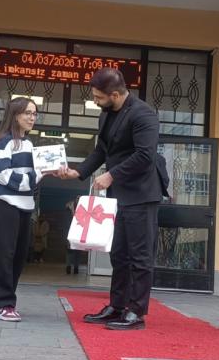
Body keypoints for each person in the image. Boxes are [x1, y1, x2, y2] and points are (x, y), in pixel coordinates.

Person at [58, 67, 166, 330]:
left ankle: (136, 312)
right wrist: (79, 172)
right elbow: (102, 150)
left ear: (115, 95)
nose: (95, 101)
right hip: (118, 196)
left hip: (141, 194)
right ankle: (117, 306)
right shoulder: (106, 114)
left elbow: (145, 155)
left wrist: (112, 175)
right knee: (119, 254)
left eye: (99, 97)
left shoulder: (143, 114)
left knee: (140, 256)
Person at [0, 97, 43, 322]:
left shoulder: (29, 144)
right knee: (3, 254)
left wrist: (46, 172)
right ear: (15, 115)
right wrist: (36, 177)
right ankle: (3, 304)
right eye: (27, 113)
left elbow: (34, 177)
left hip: (25, 205)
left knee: (18, 256)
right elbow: (2, 175)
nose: (32, 117)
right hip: (6, 203)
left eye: (34, 113)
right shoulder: (5, 142)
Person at [64, 199, 80, 275]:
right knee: (71, 251)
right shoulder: (69, 210)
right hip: (71, 232)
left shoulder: (70, 209)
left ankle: (73, 268)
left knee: (75, 251)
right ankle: (70, 267)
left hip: (75, 232)